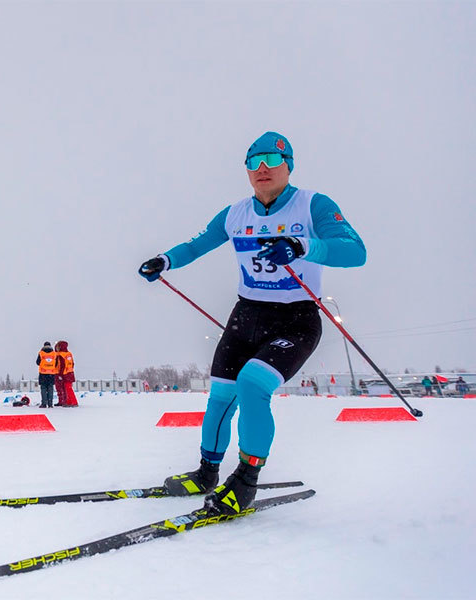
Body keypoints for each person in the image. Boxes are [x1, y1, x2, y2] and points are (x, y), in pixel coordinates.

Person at [138, 131, 366, 516]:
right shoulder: (235, 214)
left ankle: (245, 480)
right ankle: (206, 473)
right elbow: (197, 244)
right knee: (221, 396)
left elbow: (355, 251)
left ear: (288, 166)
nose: (262, 169)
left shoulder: (314, 206)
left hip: (295, 320)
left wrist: (302, 245)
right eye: (253, 162)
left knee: (252, 385)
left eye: (272, 161)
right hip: (246, 316)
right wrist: (165, 260)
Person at [53, 341, 78, 407]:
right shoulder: (69, 354)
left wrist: (60, 375)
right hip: (70, 373)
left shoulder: (60, 355)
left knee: (65, 389)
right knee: (68, 389)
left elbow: (61, 366)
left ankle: (73, 402)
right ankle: (69, 402)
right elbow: (72, 364)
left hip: (63, 374)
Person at [35, 341, 57, 408]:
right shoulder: (54, 354)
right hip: (51, 374)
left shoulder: (41, 353)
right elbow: (56, 364)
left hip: (43, 374)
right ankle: (50, 404)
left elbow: (37, 362)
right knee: (50, 389)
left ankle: (44, 403)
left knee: (43, 389)